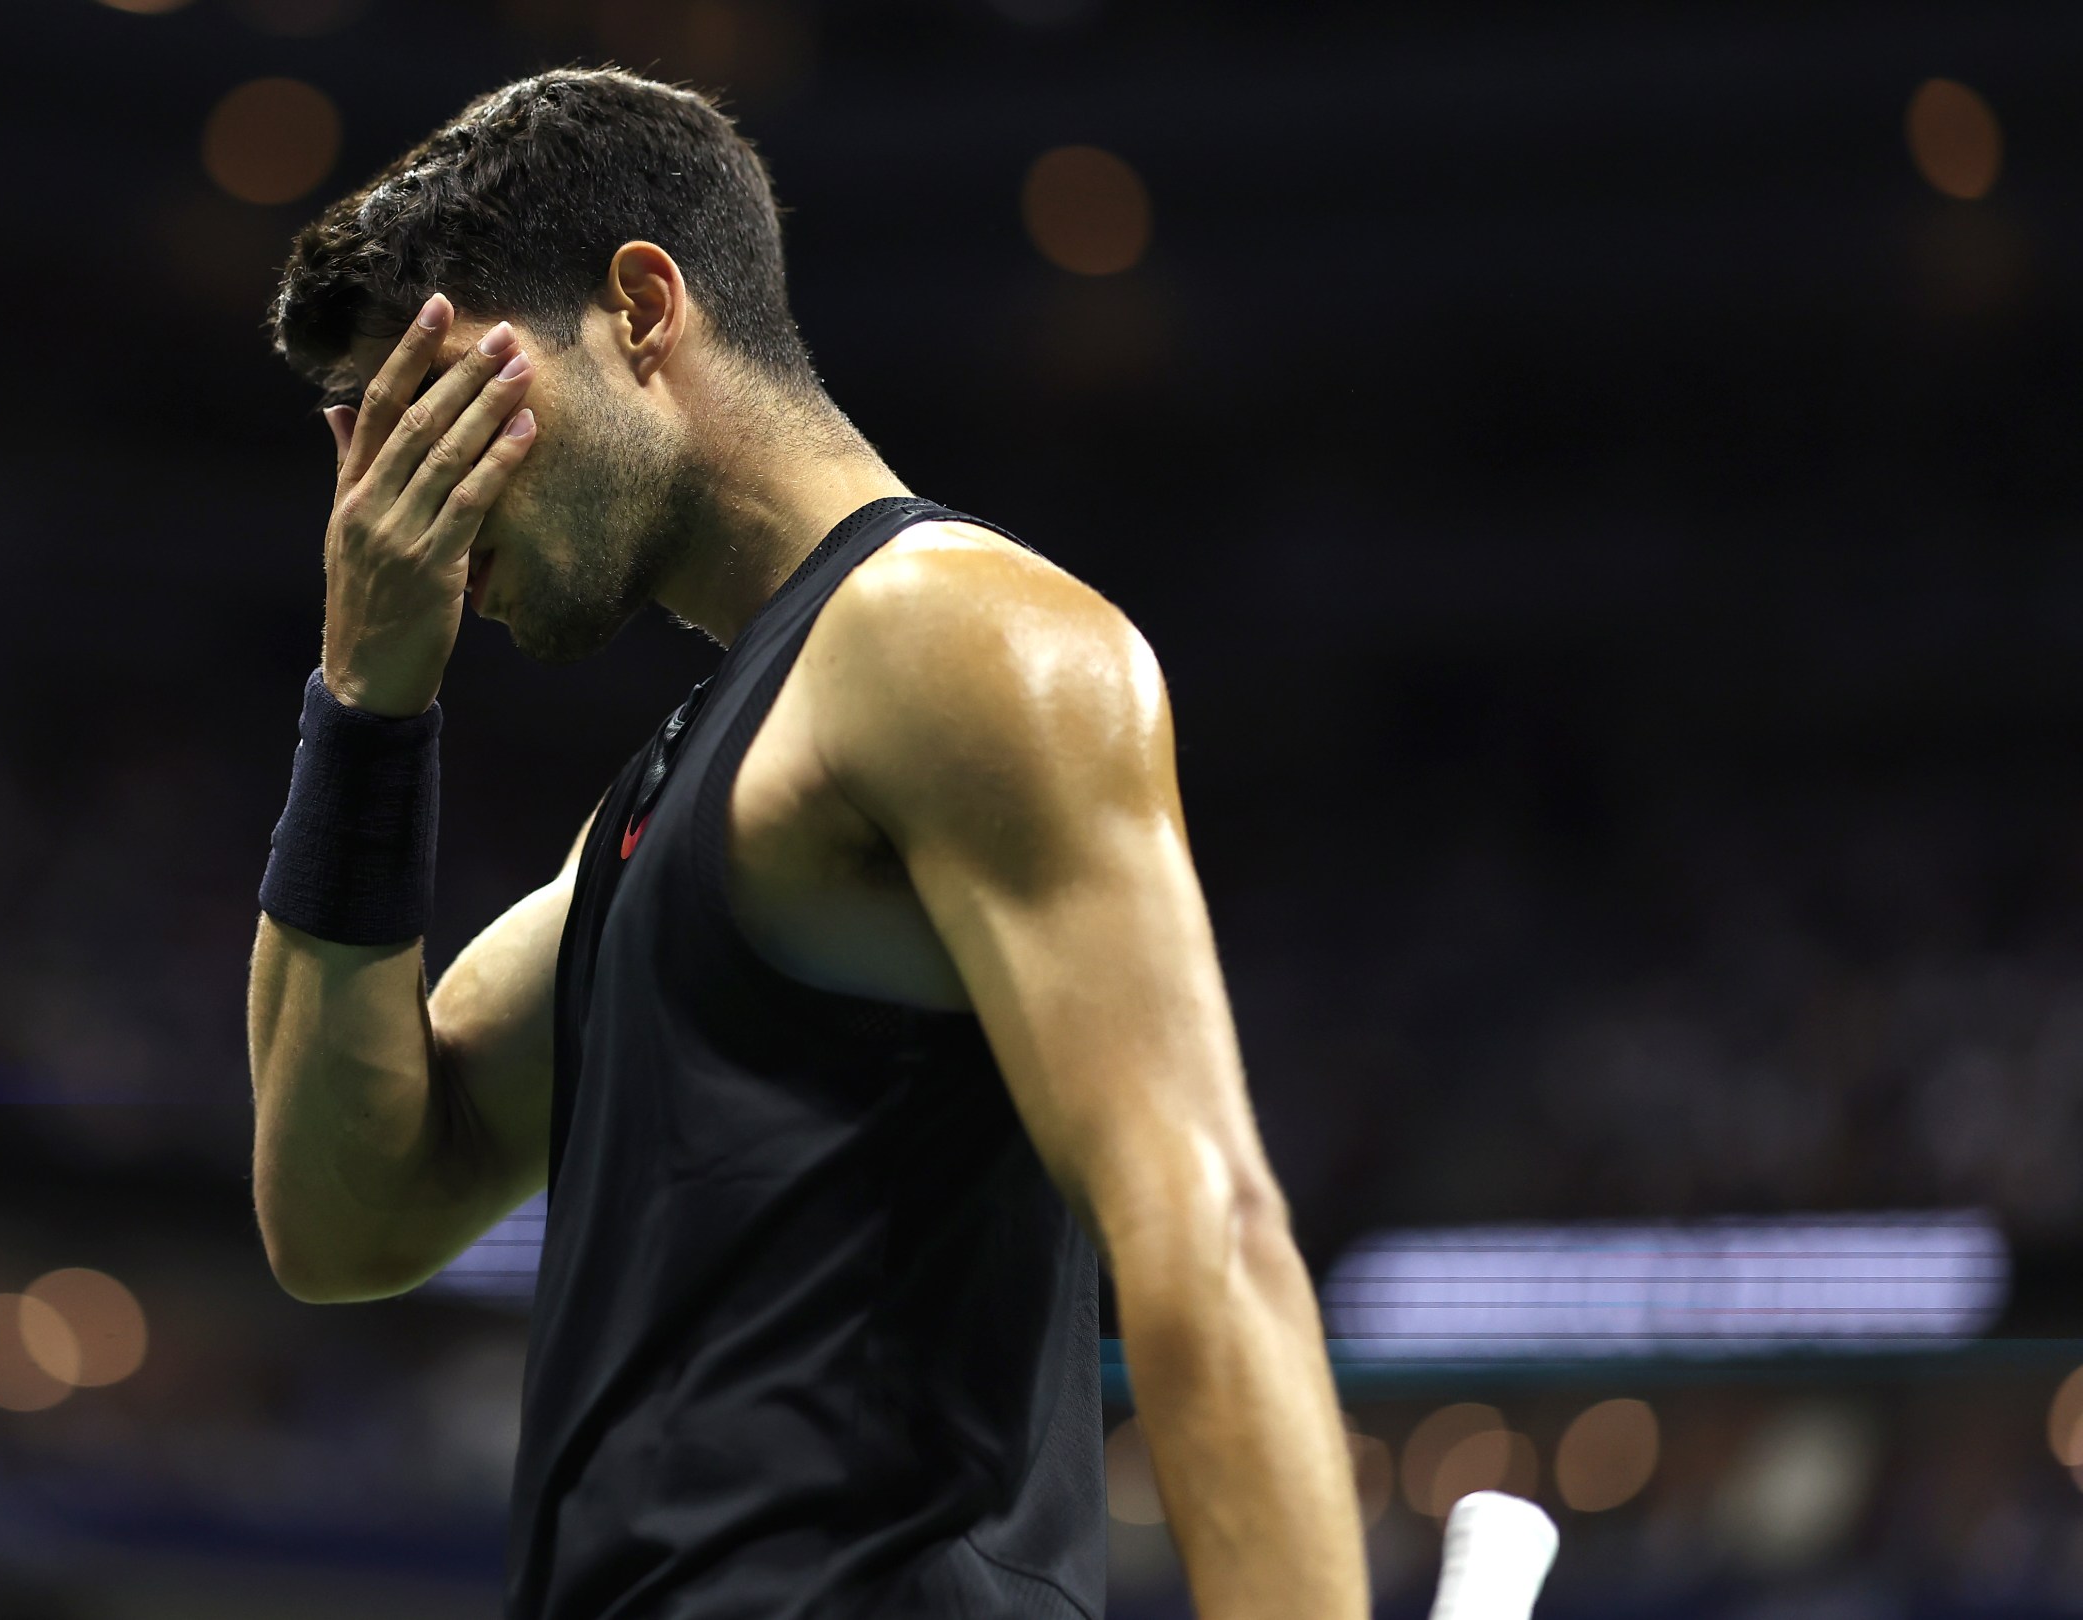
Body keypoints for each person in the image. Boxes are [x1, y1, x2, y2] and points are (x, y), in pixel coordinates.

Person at [244, 68, 1366, 1619]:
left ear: (642, 309)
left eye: (435, 421)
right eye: (369, 452)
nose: (397, 511)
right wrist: (364, 707)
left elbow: (1206, 1233)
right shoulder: (675, 789)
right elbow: (342, 1211)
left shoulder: (960, 637)